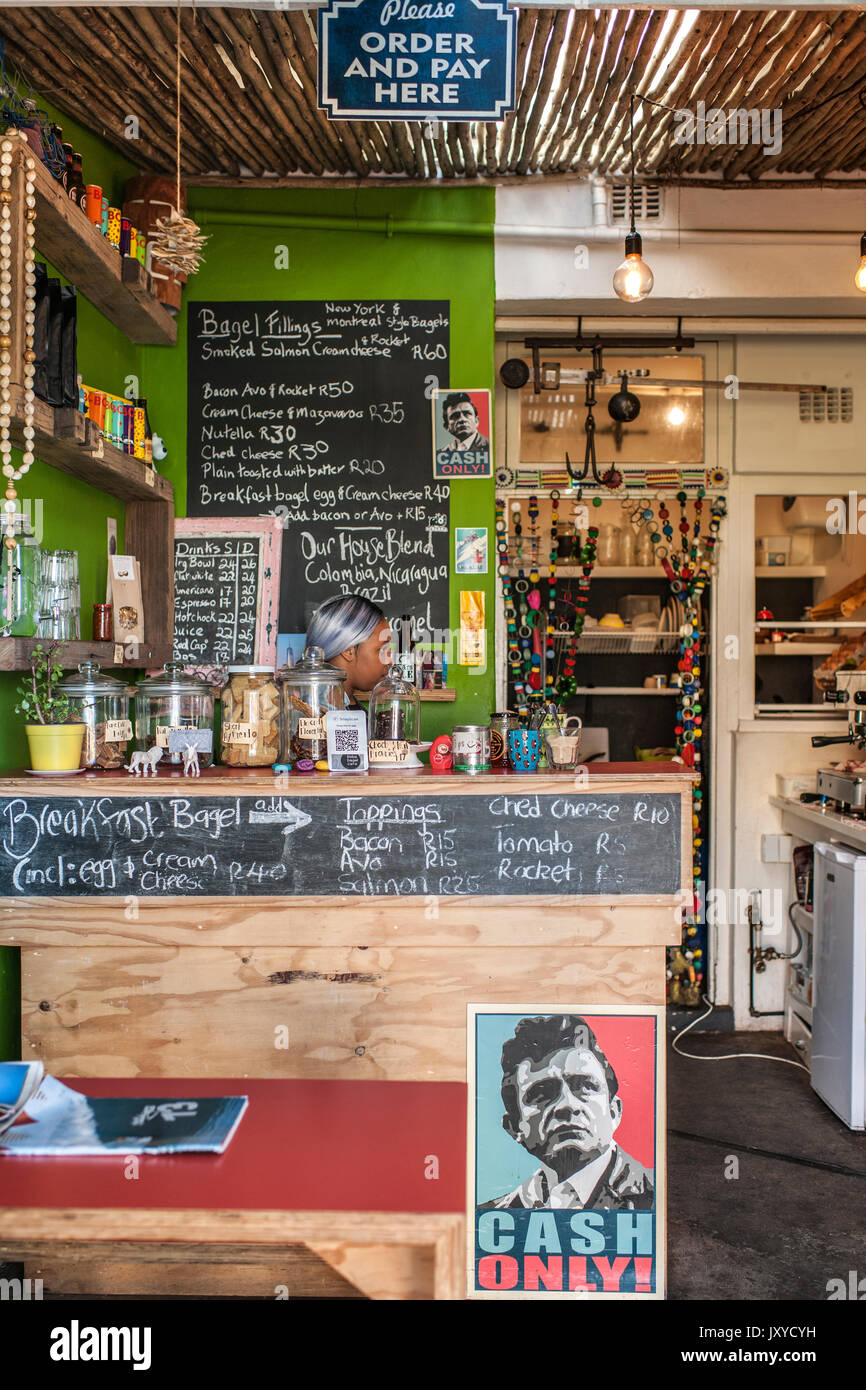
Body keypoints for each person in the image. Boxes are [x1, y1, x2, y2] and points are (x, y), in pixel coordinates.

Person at [481, 1014, 654, 1211]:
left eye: (585, 1086)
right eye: (541, 1094)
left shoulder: (658, 1200)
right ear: (514, 1128)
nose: (566, 1105)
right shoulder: (492, 1219)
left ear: (614, 1111)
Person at [305, 593, 393, 707]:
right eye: (382, 650)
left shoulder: (351, 708)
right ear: (348, 651)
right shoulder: (318, 715)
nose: (390, 661)